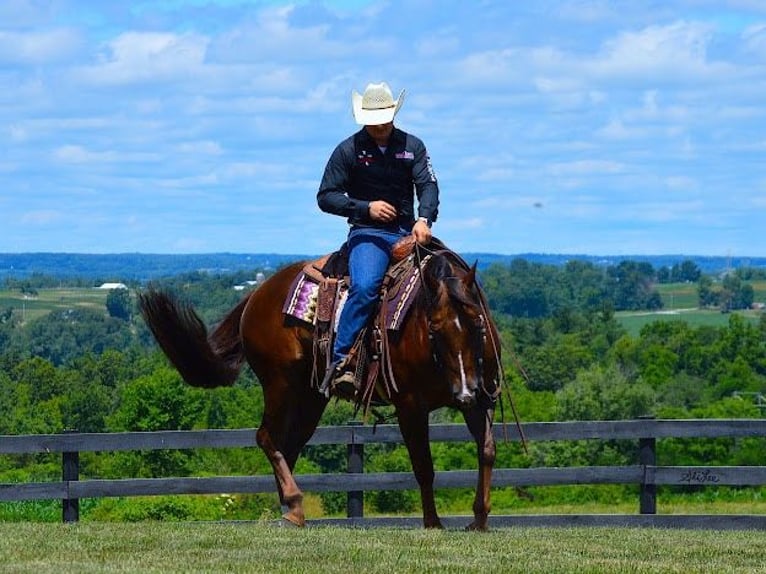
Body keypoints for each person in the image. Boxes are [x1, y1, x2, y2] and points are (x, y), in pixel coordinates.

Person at [317, 81, 440, 396]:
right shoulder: (348, 150)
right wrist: (364, 208)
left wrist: (424, 219)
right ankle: (342, 360)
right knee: (366, 286)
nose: (379, 124)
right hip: (368, 234)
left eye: (384, 117)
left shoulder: (413, 146)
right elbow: (326, 196)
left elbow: (427, 185)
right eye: (373, 119)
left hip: (409, 231)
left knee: (447, 285)